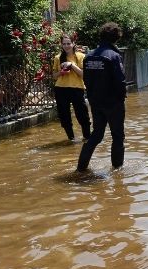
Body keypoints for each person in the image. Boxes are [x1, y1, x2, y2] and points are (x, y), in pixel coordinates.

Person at [77, 22, 127, 172]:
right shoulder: (113, 56)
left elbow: (86, 79)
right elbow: (120, 81)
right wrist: (121, 98)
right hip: (113, 103)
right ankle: (117, 170)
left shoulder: (89, 56)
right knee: (117, 136)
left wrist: (92, 97)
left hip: (96, 102)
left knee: (96, 135)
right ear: (116, 38)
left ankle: (81, 168)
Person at [51, 34, 92, 142]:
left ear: (73, 43)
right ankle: (71, 139)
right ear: (61, 45)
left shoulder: (81, 56)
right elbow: (54, 76)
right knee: (64, 116)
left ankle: (87, 138)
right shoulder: (57, 58)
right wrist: (61, 72)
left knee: (82, 115)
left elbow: (84, 75)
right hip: (61, 89)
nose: (66, 46)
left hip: (77, 88)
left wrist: (72, 65)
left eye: (68, 43)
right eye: (64, 44)